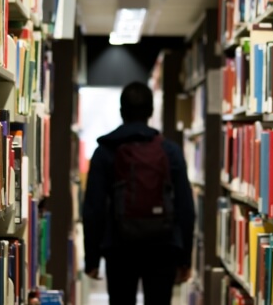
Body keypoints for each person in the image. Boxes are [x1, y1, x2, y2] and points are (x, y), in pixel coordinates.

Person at [83, 81, 196, 305]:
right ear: (151, 111)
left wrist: (92, 258)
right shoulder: (169, 150)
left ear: (121, 112)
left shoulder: (105, 151)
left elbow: (93, 208)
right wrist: (185, 258)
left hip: (119, 247)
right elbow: (185, 207)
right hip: (163, 247)